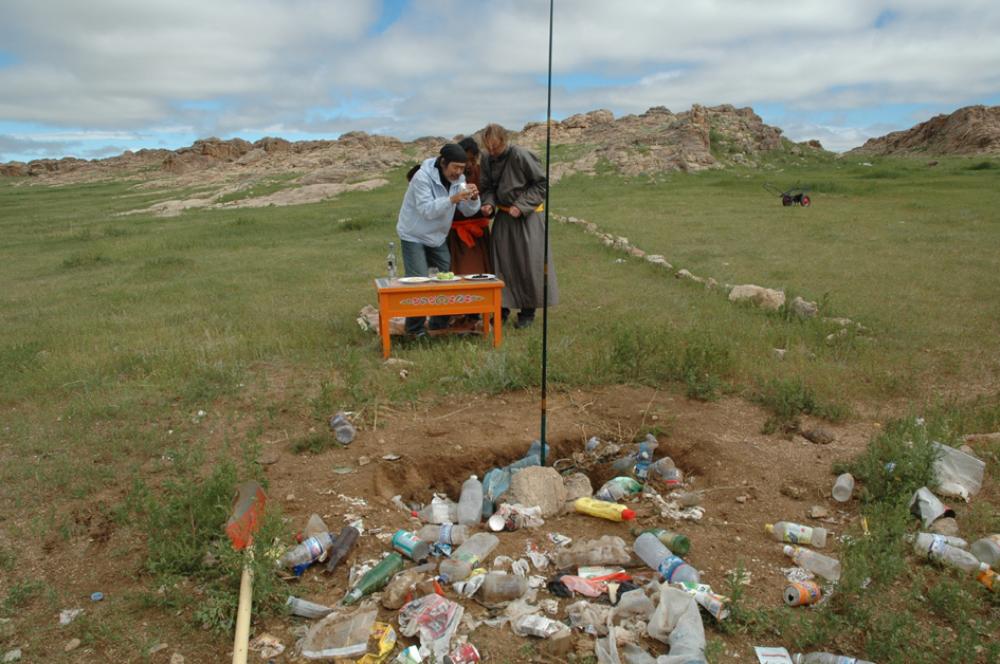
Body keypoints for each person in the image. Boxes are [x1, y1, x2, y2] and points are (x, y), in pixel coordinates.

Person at [396, 143, 480, 337]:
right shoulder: (421, 177)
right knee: (418, 280)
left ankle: (438, 323)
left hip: (437, 236)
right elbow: (427, 210)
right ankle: (415, 330)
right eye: (455, 167)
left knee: (445, 278)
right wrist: (452, 199)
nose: (458, 172)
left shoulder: (460, 179)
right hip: (413, 234)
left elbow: (468, 211)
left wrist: (474, 198)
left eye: (462, 168)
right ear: (443, 163)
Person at [479, 123, 558, 328]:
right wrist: (488, 204)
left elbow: (541, 185)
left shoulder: (521, 155)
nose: (492, 152)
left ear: (505, 141)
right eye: (489, 148)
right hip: (504, 218)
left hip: (527, 218)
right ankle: (501, 309)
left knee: (528, 263)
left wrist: (521, 205)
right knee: (501, 263)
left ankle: (527, 312)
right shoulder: (487, 159)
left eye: (496, 147)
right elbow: (486, 187)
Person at [447, 137, 492, 275]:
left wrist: (489, 206)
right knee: (459, 273)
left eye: (472, 160)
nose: (469, 165)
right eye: (465, 160)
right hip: (456, 235)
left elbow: (490, 192)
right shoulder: (450, 176)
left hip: (480, 234)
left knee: (482, 273)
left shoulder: (481, 173)